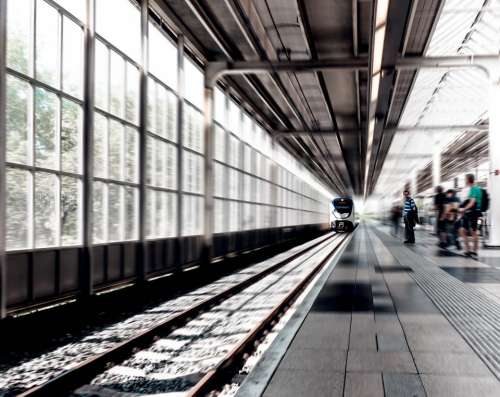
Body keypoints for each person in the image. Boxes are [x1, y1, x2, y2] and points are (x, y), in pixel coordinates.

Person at [458, 174, 482, 258]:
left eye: (465, 179)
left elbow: (472, 202)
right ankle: (470, 250)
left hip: (471, 212)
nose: (465, 180)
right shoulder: (478, 189)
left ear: (468, 180)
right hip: (473, 212)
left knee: (472, 231)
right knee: (464, 230)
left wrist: (463, 209)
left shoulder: (473, 189)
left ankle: (472, 251)